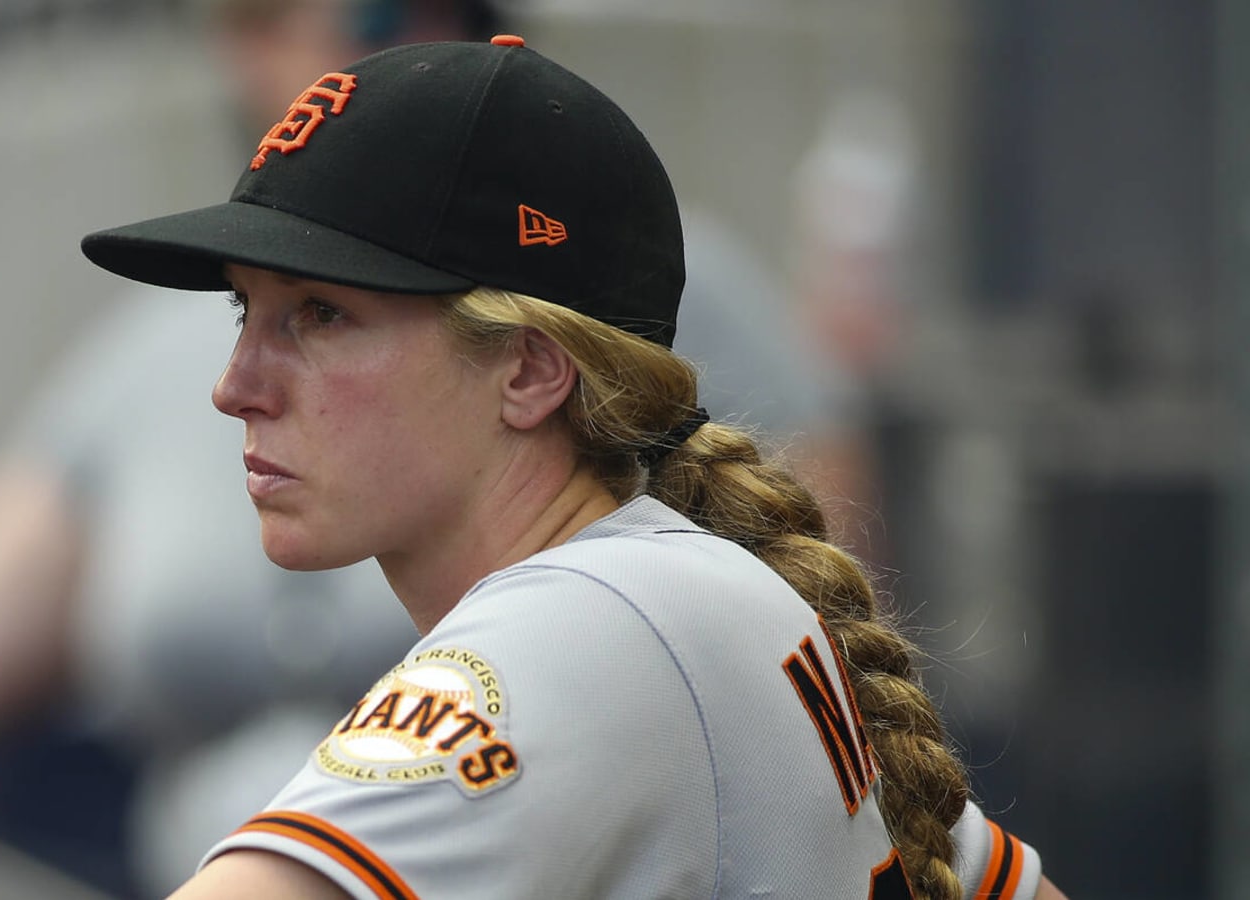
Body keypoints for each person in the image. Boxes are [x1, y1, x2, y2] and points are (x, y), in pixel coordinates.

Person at [79, 35, 1066, 900]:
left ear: (529, 370)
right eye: (245, 311)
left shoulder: (587, 625)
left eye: (321, 315)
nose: (235, 384)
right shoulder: (667, 596)